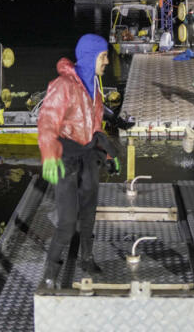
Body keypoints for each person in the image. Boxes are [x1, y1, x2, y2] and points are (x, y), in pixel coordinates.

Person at [38, 33, 121, 288]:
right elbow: (47, 122)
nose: (106, 61)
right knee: (67, 222)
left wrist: (109, 153)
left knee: (88, 213)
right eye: (103, 56)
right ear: (90, 57)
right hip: (67, 158)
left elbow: (95, 126)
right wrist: (49, 157)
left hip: (87, 156)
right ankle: (50, 274)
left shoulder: (94, 86)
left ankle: (87, 257)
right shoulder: (64, 85)